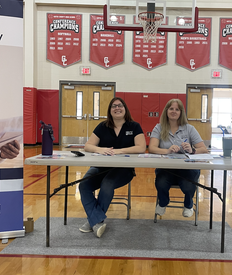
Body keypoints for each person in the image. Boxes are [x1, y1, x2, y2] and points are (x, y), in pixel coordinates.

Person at [79, 97, 146, 238]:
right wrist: (100, 149)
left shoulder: (134, 126)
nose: (117, 108)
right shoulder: (103, 126)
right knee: (84, 185)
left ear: (125, 108)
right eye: (114, 106)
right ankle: (96, 220)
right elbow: (88, 146)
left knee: (107, 184)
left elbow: (141, 147)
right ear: (110, 111)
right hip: (100, 167)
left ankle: (94, 220)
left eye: (120, 105)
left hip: (123, 169)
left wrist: (119, 150)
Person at [148, 99, 208, 218]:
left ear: (181, 112)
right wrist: (167, 151)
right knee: (160, 183)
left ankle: (188, 204)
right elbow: (152, 148)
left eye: (177, 109)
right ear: (166, 111)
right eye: (171, 109)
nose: (174, 111)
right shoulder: (159, 128)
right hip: (167, 168)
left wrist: (192, 150)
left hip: (187, 169)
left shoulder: (189, 128)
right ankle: (163, 202)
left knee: (188, 186)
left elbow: (204, 149)